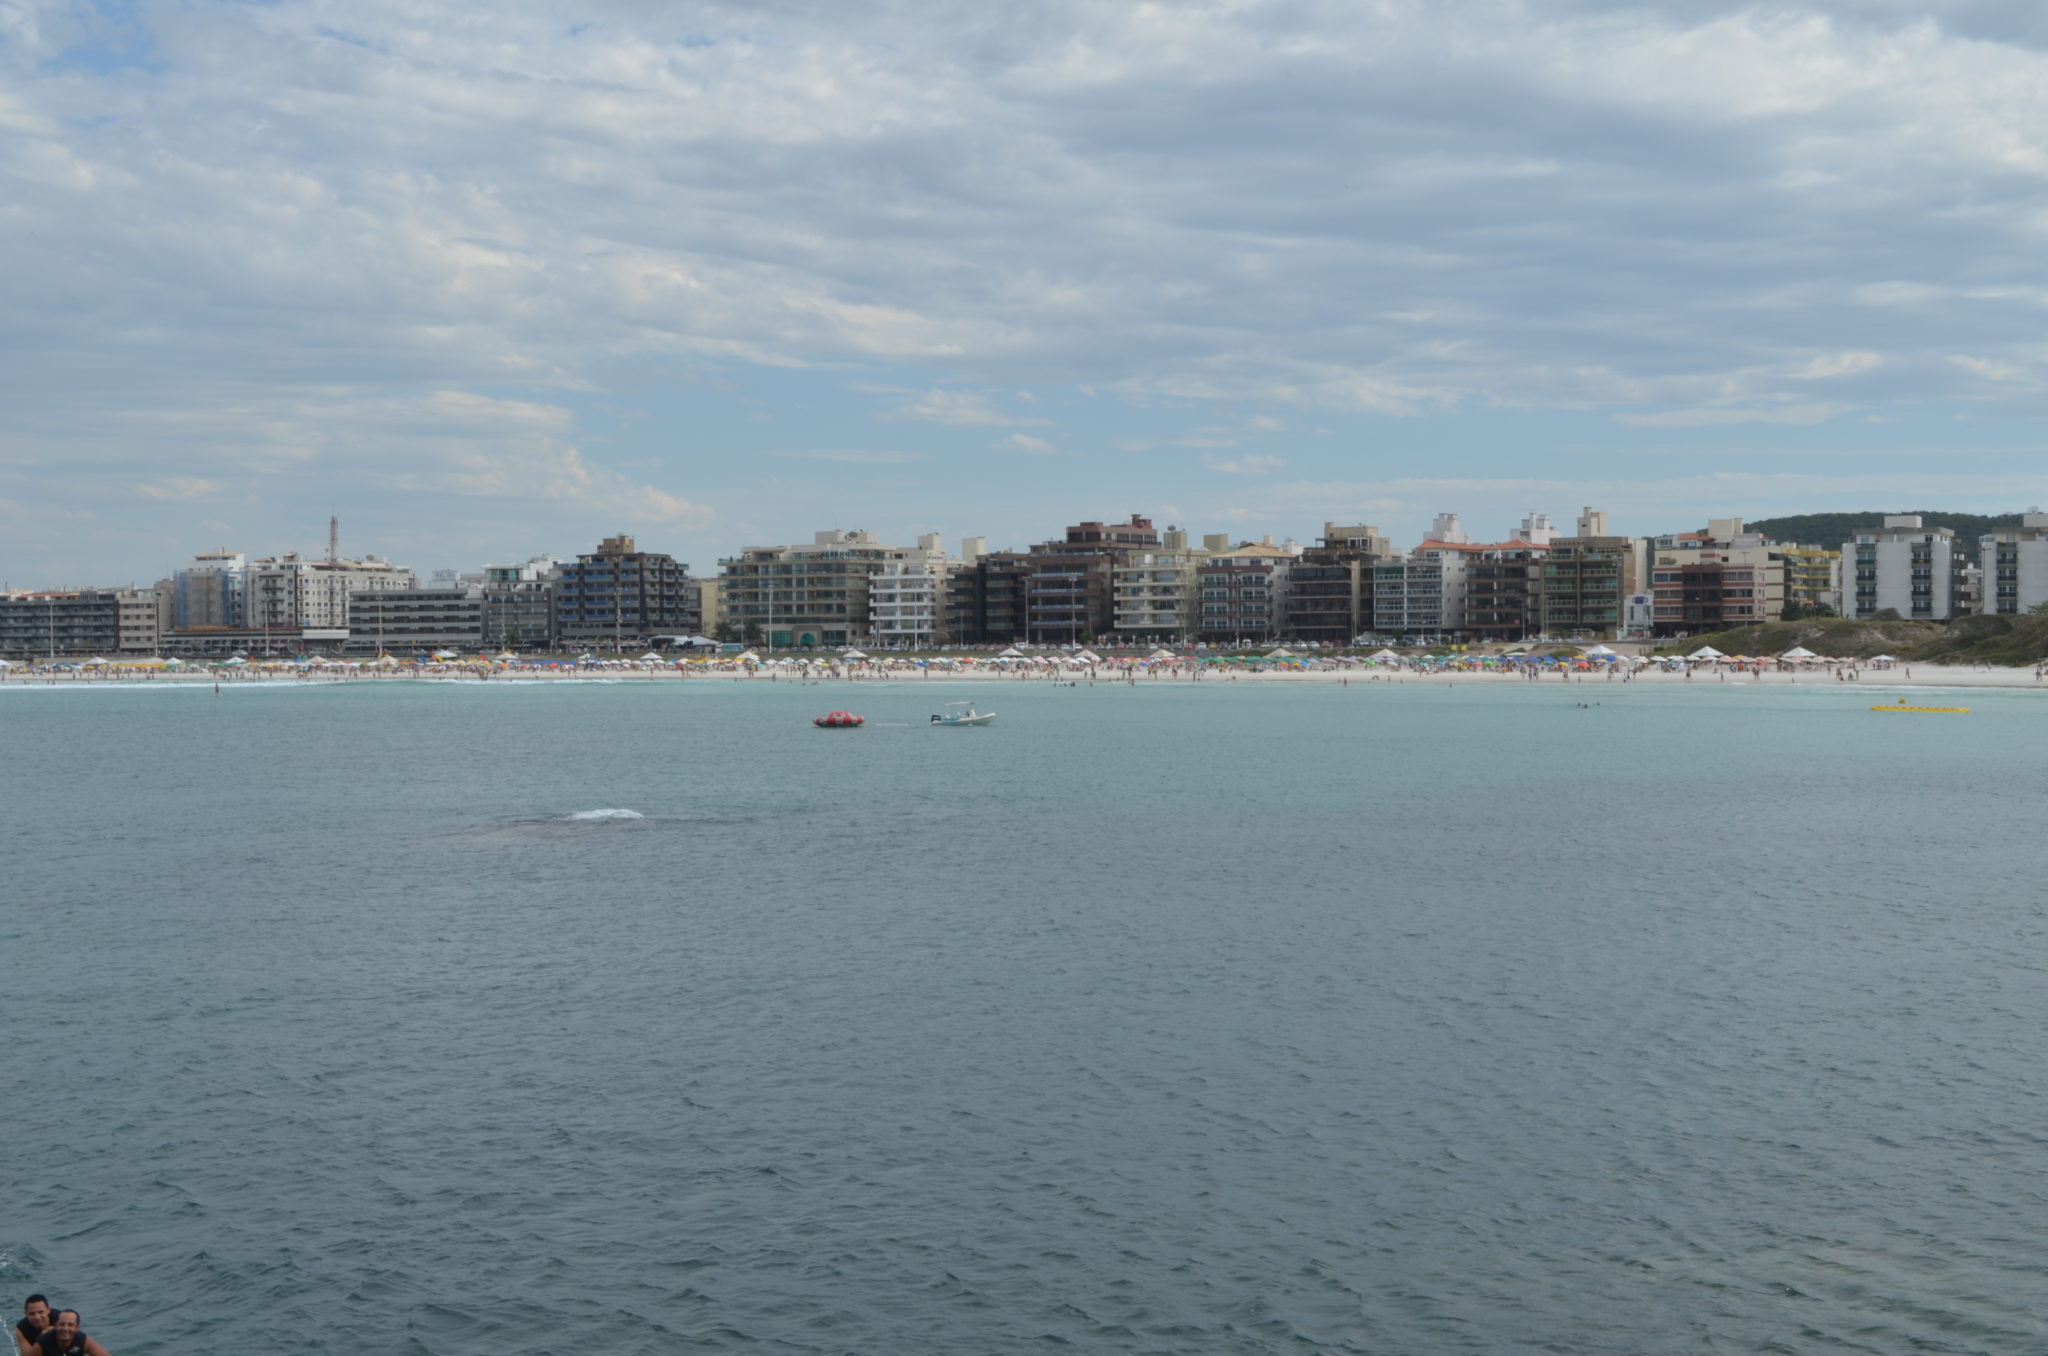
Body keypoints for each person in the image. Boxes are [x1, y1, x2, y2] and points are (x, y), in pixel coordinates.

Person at [36, 1312, 109, 1356]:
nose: (65, 1328)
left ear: (77, 1328)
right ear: (56, 1326)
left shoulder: (83, 1341)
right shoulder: (43, 1342)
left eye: (70, 1325)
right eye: (62, 1324)